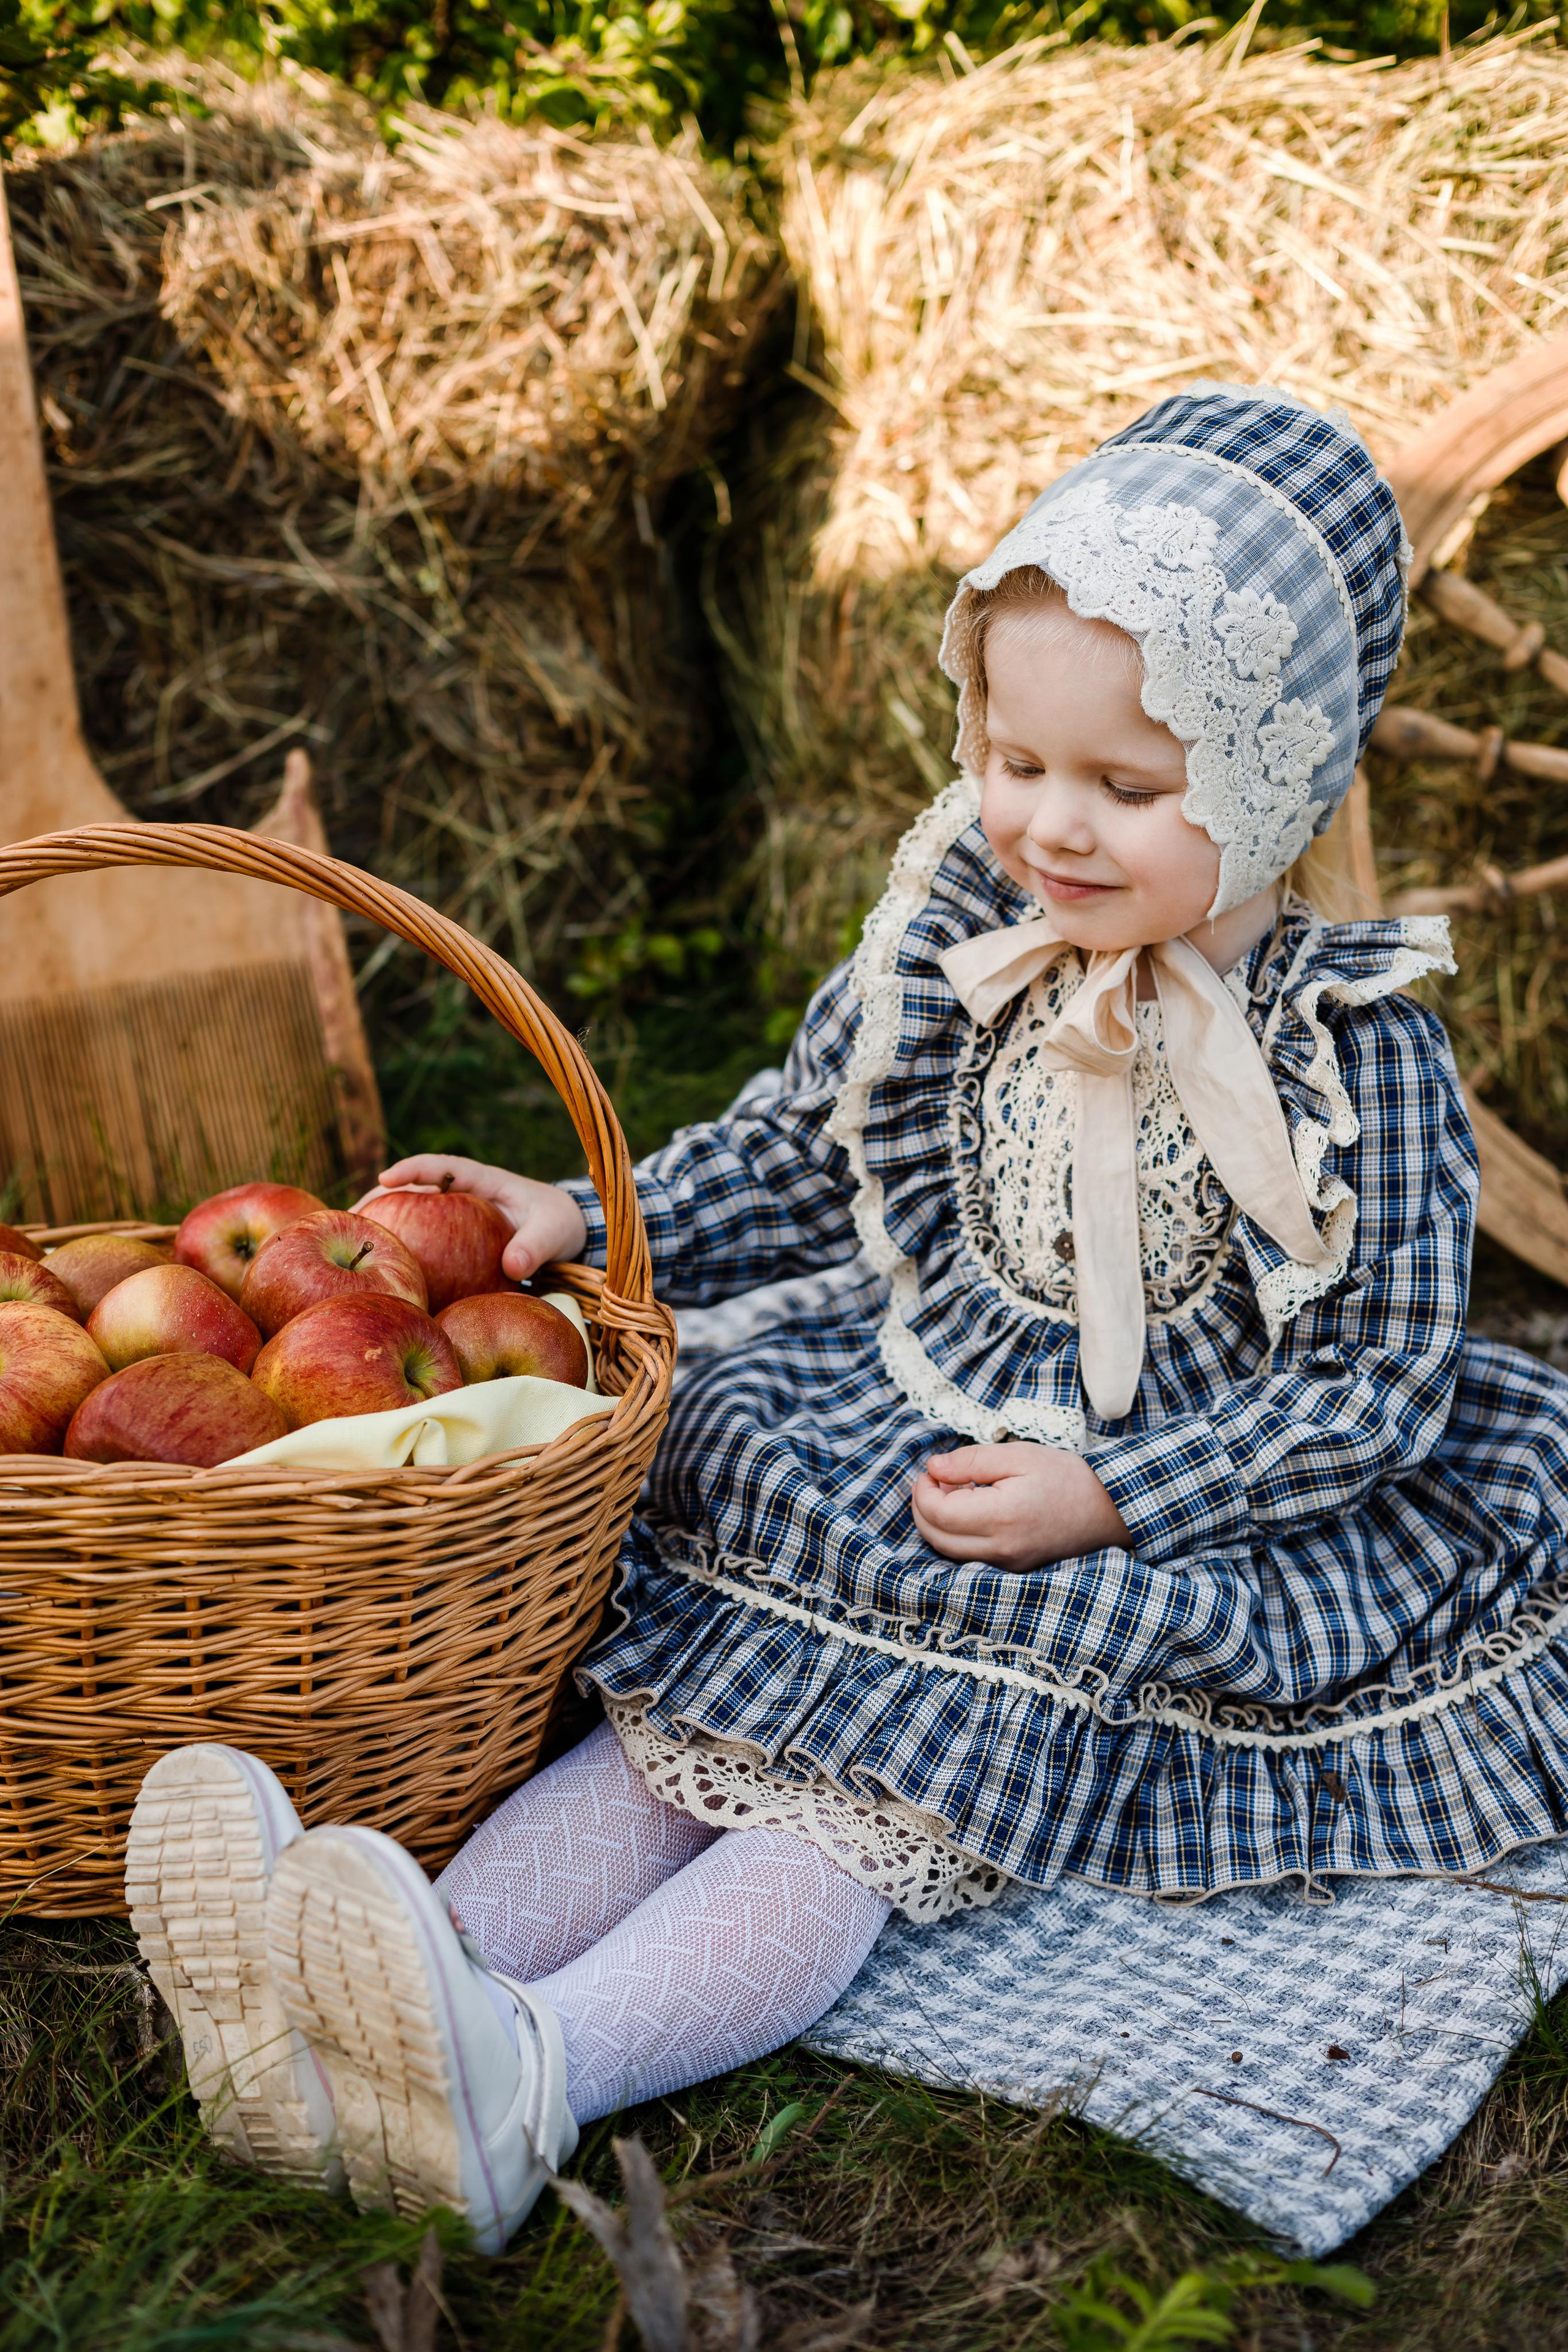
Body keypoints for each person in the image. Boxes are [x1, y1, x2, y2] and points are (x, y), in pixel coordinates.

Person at [128, 385, 1568, 2253]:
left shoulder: (1351, 1050)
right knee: (681, 1728)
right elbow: (813, 1149)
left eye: (1129, 790)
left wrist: (1110, 1499)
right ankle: (378, 1997)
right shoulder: (964, 911)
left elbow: (1378, 1382)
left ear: (1277, 777)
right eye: (1015, 758)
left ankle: (537, 2065)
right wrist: (585, 1212)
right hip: (921, 1396)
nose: (1050, 824)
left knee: (865, 1781)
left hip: (1174, 1487)